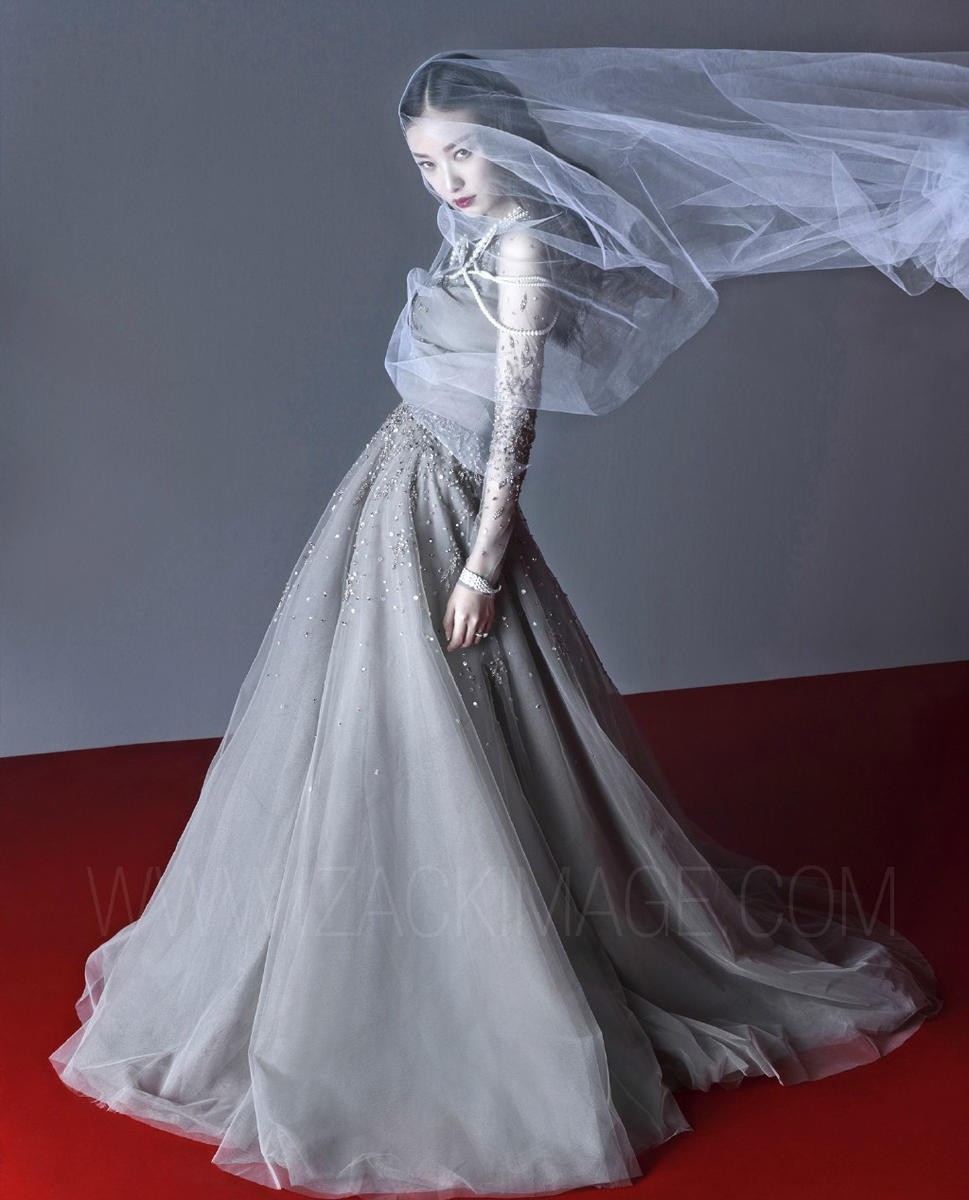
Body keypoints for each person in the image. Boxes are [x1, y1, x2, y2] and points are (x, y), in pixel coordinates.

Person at [49, 47, 964, 1200]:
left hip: (452, 507)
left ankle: (491, 956)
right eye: (427, 163)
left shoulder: (525, 247)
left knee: (459, 707)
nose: (447, 180)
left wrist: (484, 564)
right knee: (368, 713)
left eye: (464, 155)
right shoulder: (469, 232)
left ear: (516, 143)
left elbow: (513, 427)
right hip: (392, 486)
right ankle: (363, 934)